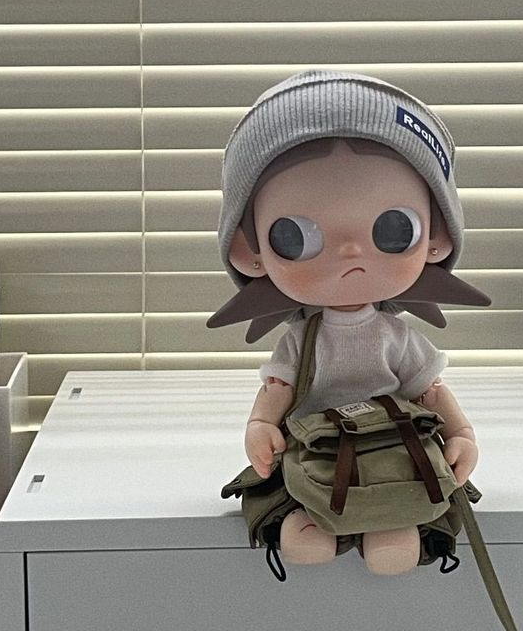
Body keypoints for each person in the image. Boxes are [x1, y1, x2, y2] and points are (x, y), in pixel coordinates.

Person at [208, 70, 490, 575]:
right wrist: (260, 426)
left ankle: (392, 523)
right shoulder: (303, 340)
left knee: (397, 515)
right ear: (250, 252)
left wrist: (461, 433)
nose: (350, 252)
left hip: (392, 454)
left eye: (394, 230)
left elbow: (429, 391)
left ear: (436, 239)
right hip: (315, 452)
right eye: (295, 237)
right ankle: (314, 516)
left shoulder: (396, 338)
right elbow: (278, 388)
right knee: (305, 505)